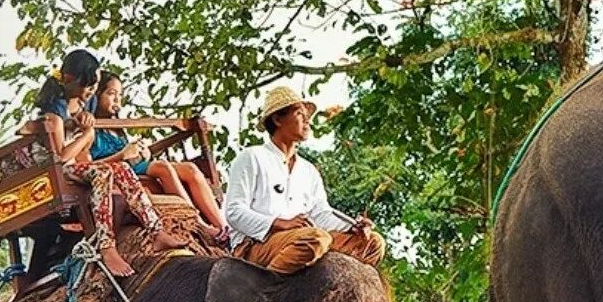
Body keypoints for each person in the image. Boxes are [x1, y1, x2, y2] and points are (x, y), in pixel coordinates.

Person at [35, 50, 187, 278]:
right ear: (68, 80)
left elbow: (84, 126)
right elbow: (61, 157)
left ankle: (156, 231)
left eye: (94, 87)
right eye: (88, 86)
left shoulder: (85, 103)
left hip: (76, 164)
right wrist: (87, 134)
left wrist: (87, 122)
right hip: (57, 171)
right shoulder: (54, 112)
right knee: (104, 172)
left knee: (123, 169)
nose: (91, 92)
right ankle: (107, 247)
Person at [222, 86, 384, 275]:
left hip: (304, 241)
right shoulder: (251, 157)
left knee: (373, 242)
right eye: (300, 113)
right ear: (277, 119)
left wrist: (353, 226)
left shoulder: (308, 170)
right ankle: (266, 290)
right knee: (316, 238)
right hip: (257, 245)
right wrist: (279, 223)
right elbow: (234, 212)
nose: (308, 120)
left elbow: (321, 214)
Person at [88, 73, 232, 243]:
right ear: (96, 95)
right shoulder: (91, 129)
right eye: (111, 94)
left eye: (120, 95)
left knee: (190, 169)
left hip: (135, 163)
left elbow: (133, 152)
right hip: (118, 169)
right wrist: (124, 155)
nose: (117, 100)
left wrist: (143, 150)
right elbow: (89, 165)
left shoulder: (117, 128)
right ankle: (198, 224)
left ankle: (223, 226)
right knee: (161, 167)